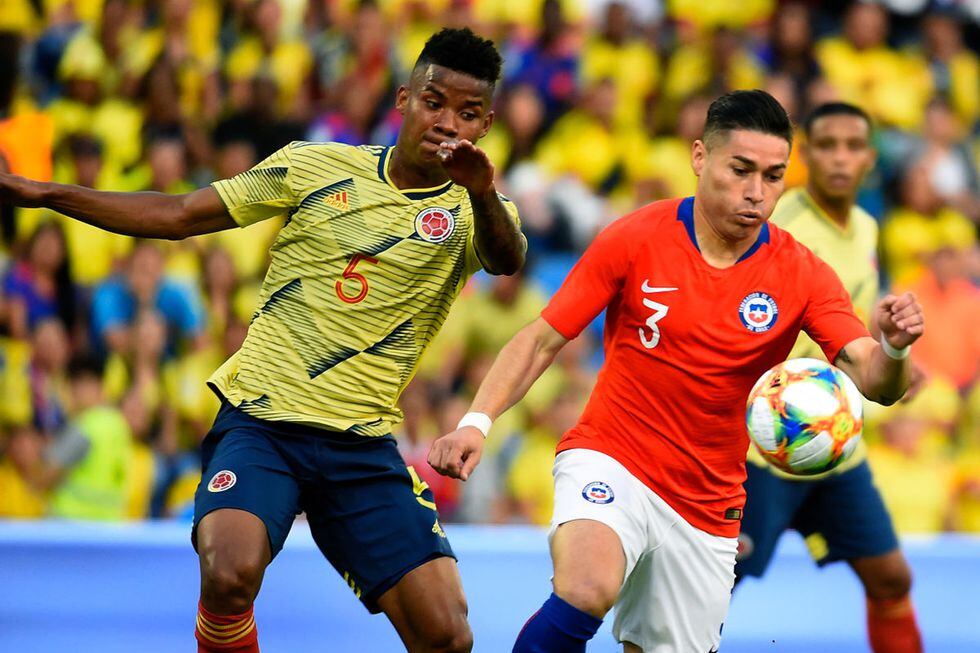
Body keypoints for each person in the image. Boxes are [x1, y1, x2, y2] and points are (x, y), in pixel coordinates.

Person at [0, 27, 525, 653]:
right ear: (403, 99)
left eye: (466, 113)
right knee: (229, 571)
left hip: (360, 445)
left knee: (447, 635)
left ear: (485, 125)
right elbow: (179, 215)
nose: (446, 124)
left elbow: (507, 259)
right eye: (434, 102)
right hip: (263, 423)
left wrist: (481, 190)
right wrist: (48, 193)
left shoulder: (479, 213)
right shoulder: (315, 165)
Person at [429, 90, 924, 653]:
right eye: (741, 170)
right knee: (587, 589)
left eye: (773, 176)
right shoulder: (637, 235)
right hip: (613, 457)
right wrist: (477, 422)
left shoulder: (804, 273)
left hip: (709, 501)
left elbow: (874, 380)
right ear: (699, 157)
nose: (757, 192)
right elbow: (541, 339)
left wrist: (894, 348)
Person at [735, 102, 924, 653]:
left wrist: (892, 357)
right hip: (764, 447)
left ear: (870, 159)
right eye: (827, 145)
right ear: (805, 155)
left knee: (891, 579)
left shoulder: (866, 226)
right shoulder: (775, 230)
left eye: (853, 146)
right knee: (713, 584)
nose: (840, 158)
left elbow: (850, 320)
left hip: (837, 442)